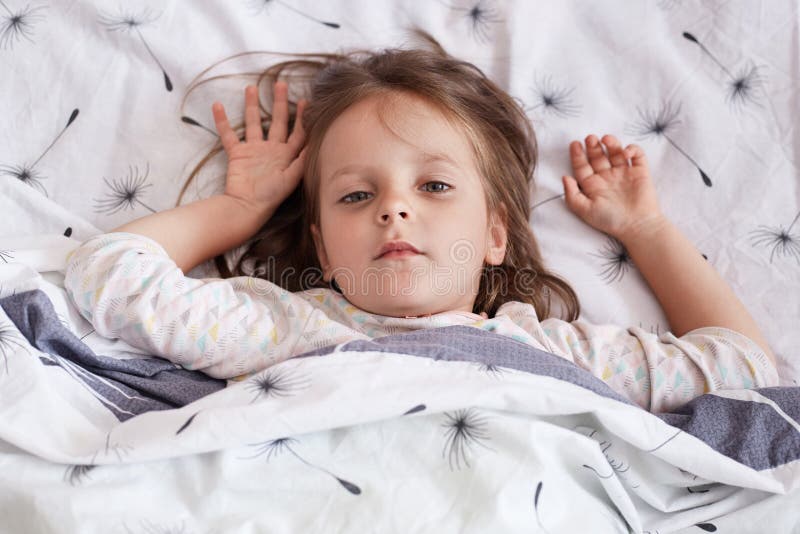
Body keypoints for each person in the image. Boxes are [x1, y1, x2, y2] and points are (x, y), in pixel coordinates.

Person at [63, 34, 777, 412]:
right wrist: (238, 208)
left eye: (434, 185)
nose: (393, 208)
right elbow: (109, 276)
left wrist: (647, 231)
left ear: (496, 234)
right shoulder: (284, 328)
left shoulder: (555, 352)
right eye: (352, 197)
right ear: (321, 245)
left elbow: (742, 368)